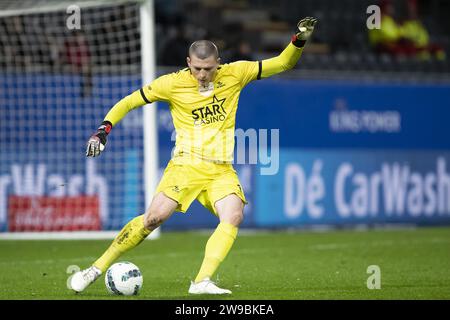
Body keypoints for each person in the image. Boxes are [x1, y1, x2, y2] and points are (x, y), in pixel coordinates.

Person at [69, 17, 317, 295]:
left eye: (209, 69)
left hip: (221, 170)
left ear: (218, 63)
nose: (203, 75)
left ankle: (201, 282)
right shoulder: (171, 84)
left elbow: (283, 63)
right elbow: (129, 101)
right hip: (186, 166)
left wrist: (300, 38)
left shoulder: (236, 73)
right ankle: (95, 268)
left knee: (234, 215)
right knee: (153, 219)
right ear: (188, 62)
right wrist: (103, 130)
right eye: (197, 68)